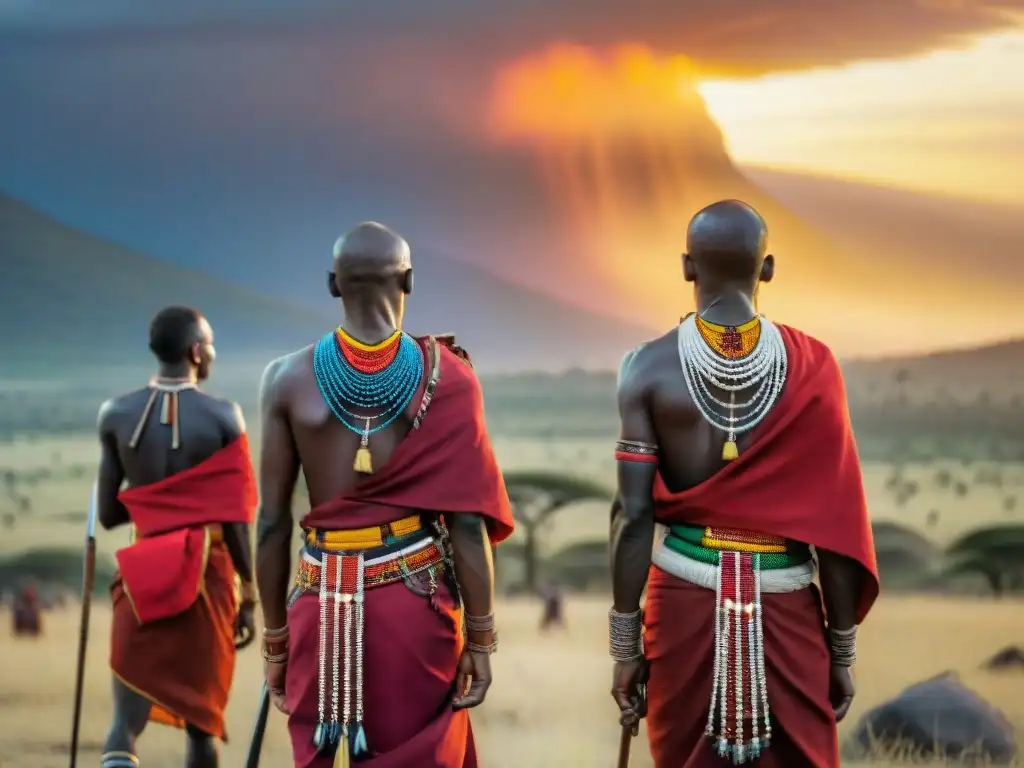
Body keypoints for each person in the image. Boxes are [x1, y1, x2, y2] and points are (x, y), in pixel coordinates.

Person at [608, 200, 879, 767]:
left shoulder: (647, 368)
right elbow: (835, 526)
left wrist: (625, 647)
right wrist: (840, 651)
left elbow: (632, 518)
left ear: (687, 267)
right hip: (787, 608)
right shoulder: (816, 367)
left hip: (682, 603)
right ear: (768, 268)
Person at [256, 222, 514, 768]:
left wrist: (276, 642)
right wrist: (483, 640)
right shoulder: (452, 379)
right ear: (410, 281)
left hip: (316, 603)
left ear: (332, 284)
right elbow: (468, 526)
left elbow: (272, 524)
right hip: (413, 602)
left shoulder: (283, 379)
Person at [95, 306, 258, 768]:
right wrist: (249, 593)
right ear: (194, 351)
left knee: (123, 724)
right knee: (201, 724)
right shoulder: (225, 417)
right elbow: (237, 519)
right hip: (206, 581)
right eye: (209, 344)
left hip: (142, 579)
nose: (213, 353)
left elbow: (108, 514)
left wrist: (148, 494)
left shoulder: (116, 415)